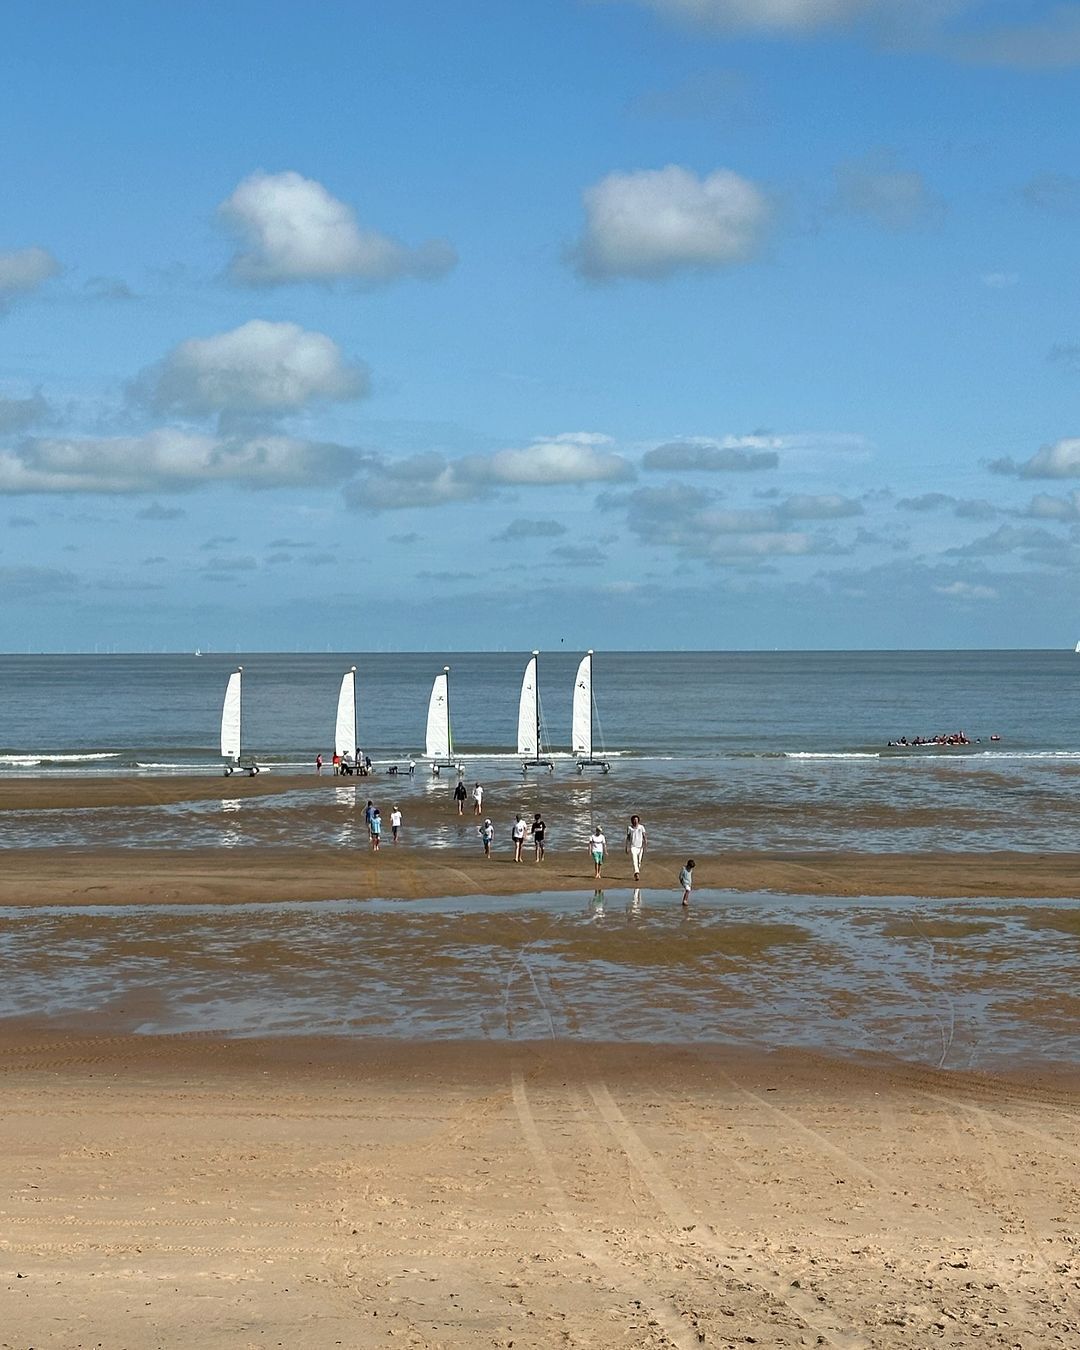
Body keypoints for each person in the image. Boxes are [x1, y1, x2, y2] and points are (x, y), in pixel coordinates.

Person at [625, 814, 647, 882]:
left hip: (640, 847)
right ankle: (636, 873)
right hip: (633, 846)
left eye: (636, 820)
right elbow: (628, 838)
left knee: (639, 861)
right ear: (632, 821)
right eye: (634, 820)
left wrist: (645, 845)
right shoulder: (629, 828)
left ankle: (636, 872)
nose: (635, 821)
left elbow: (644, 837)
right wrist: (627, 847)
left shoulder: (641, 827)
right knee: (635, 860)